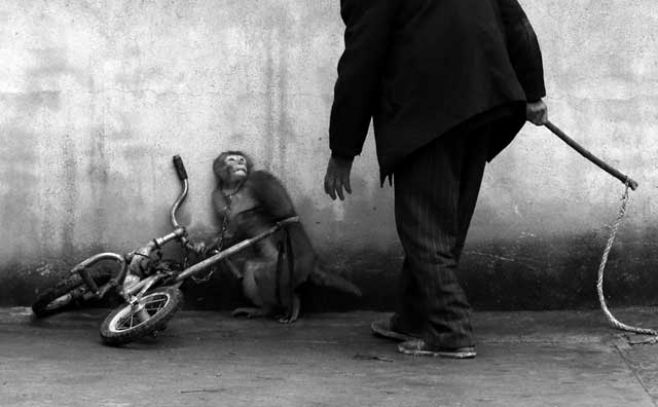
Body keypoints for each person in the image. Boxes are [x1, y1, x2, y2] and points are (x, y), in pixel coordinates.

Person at [323, 0, 548, 358]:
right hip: (486, 105)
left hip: (428, 111)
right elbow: (515, 21)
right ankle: (416, 317)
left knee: (425, 229)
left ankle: (449, 330)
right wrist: (532, 92)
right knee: (442, 224)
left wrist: (342, 150)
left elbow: (362, 60)